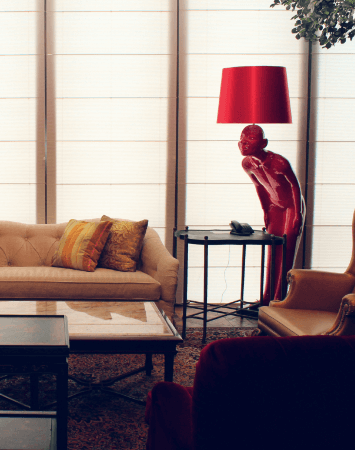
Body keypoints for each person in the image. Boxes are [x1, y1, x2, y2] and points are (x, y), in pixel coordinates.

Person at [239, 124, 305, 305]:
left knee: (286, 251)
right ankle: (266, 297)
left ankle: (279, 299)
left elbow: (294, 186)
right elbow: (259, 186)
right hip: (274, 207)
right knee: (272, 249)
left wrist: (298, 213)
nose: (243, 143)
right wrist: (265, 210)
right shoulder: (247, 163)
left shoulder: (279, 162)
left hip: (292, 206)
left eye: (250, 139)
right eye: (242, 138)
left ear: (264, 142)